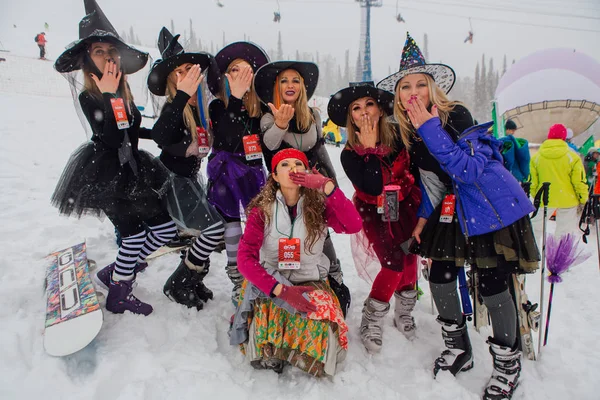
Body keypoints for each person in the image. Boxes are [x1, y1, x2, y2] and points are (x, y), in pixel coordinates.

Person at [377, 33, 540, 400]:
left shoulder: (456, 115)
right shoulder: (411, 133)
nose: (414, 91)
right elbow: (435, 184)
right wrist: (421, 223)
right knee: (440, 275)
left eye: (422, 83)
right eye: (406, 86)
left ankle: (507, 364)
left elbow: (467, 170)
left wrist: (430, 128)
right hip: (454, 209)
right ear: (399, 95)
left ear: (433, 89)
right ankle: (458, 346)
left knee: (493, 285)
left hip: (491, 207)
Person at [51, 0, 176, 316]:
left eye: (111, 51)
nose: (107, 57)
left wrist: (163, 134)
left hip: (135, 170)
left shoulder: (125, 93)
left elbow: (130, 132)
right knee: (132, 237)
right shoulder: (90, 95)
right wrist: (108, 96)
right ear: (88, 61)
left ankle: (119, 270)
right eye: (98, 52)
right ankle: (120, 292)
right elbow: (108, 137)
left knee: (163, 230)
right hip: (106, 175)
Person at [230, 148, 362, 376]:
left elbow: (354, 225)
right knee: (268, 311)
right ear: (274, 176)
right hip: (271, 283)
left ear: (307, 172)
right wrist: (281, 290)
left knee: (323, 324)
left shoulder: (319, 208)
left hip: (310, 281)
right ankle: (276, 353)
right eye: (285, 165)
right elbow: (244, 260)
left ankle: (297, 353)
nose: (292, 168)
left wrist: (327, 187)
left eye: (298, 164)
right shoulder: (262, 212)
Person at [330, 81, 421, 352]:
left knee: (409, 256)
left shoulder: (399, 135)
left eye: (369, 104)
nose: (365, 111)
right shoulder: (349, 154)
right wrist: (369, 150)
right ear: (351, 117)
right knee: (392, 262)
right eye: (357, 108)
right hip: (374, 212)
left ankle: (404, 310)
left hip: (405, 205)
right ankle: (372, 317)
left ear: (380, 110)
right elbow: (373, 186)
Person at [255, 61, 351, 316]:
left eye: (295, 80)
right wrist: (280, 123)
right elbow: (270, 148)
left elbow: (320, 149)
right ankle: (286, 282)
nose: (290, 85)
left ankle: (334, 279)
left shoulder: (314, 115)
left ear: (302, 87)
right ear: (277, 87)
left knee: (321, 233)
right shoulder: (268, 116)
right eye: (284, 80)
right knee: (288, 233)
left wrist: (331, 184)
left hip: (314, 184)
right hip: (286, 187)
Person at [147, 27, 225, 310]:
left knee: (200, 231)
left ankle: (193, 279)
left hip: (189, 178)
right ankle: (179, 282)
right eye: (179, 72)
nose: (187, 76)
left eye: (190, 70)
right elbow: (160, 135)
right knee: (213, 229)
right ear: (171, 81)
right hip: (172, 181)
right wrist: (181, 95)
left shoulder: (199, 108)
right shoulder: (175, 105)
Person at [205, 41, 270, 305]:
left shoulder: (261, 108)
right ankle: (237, 276)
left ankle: (257, 269)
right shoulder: (218, 106)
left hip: (253, 171)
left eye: (246, 71)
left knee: (258, 220)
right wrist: (234, 97)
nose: (240, 75)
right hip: (226, 170)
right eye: (234, 70)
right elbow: (226, 136)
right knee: (231, 222)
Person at [530, 124, 589, 240]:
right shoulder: (572, 157)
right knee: (564, 233)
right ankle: (559, 257)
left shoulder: (536, 157)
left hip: (544, 197)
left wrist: (535, 195)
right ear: (564, 138)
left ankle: (534, 256)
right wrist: (583, 198)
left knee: (536, 229)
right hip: (568, 199)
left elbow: (533, 182)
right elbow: (579, 182)